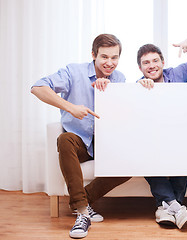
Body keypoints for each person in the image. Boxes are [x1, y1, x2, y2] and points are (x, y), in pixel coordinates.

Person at [31, 34, 131, 239]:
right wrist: (70, 107)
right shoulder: (73, 72)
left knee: (131, 161)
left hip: (105, 141)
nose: (109, 63)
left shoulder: (120, 78)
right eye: (104, 57)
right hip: (80, 141)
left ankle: (80, 201)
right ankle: (83, 214)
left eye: (114, 58)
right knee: (64, 140)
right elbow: (37, 88)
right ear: (93, 55)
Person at [136, 38, 187, 229]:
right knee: (144, 153)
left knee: (186, 151)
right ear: (140, 68)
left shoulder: (177, 74)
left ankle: (164, 208)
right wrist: (141, 93)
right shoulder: (137, 86)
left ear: (163, 62)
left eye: (155, 60)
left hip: (178, 137)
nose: (151, 66)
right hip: (153, 141)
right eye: (146, 63)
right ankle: (177, 206)